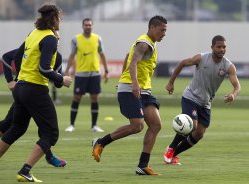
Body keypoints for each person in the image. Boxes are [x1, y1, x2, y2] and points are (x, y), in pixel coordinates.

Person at [0, 3, 72, 182]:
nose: (60, 21)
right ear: (53, 19)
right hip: (35, 89)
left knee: (16, 128)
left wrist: (21, 77)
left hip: (21, 87)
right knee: (51, 133)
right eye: (59, 18)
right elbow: (45, 69)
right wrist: (62, 79)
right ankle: (25, 170)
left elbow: (15, 57)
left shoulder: (33, 34)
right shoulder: (49, 38)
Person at [92, 15, 167, 175]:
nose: (164, 33)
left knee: (155, 125)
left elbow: (128, 56)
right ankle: (100, 142)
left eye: (165, 30)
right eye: (162, 30)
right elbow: (133, 62)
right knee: (137, 125)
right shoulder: (144, 43)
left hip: (144, 91)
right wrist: (132, 83)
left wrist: (126, 77)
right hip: (131, 89)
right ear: (152, 28)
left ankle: (143, 166)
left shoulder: (150, 44)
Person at [0, 49, 67, 168]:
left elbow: (57, 83)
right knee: (9, 123)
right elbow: (6, 56)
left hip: (38, 93)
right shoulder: (32, 46)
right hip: (25, 91)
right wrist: (10, 80)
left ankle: (49, 156)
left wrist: (62, 78)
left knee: (43, 127)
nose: (55, 37)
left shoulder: (57, 56)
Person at [163, 35, 241, 165]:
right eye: (219, 46)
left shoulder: (228, 66)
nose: (222, 49)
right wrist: (171, 82)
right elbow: (182, 63)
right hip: (190, 97)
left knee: (199, 134)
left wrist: (233, 94)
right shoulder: (201, 58)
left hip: (206, 103)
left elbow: (237, 85)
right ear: (212, 47)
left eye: (224, 47)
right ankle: (170, 148)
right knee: (192, 125)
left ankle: (173, 155)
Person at [64, 18, 109, 132]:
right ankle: (71, 125)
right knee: (77, 98)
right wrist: (67, 70)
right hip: (81, 74)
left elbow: (102, 55)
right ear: (82, 26)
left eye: (89, 25)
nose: (88, 27)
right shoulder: (76, 39)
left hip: (95, 74)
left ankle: (94, 125)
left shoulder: (98, 39)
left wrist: (107, 71)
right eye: (86, 25)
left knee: (94, 98)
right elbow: (72, 55)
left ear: (92, 26)